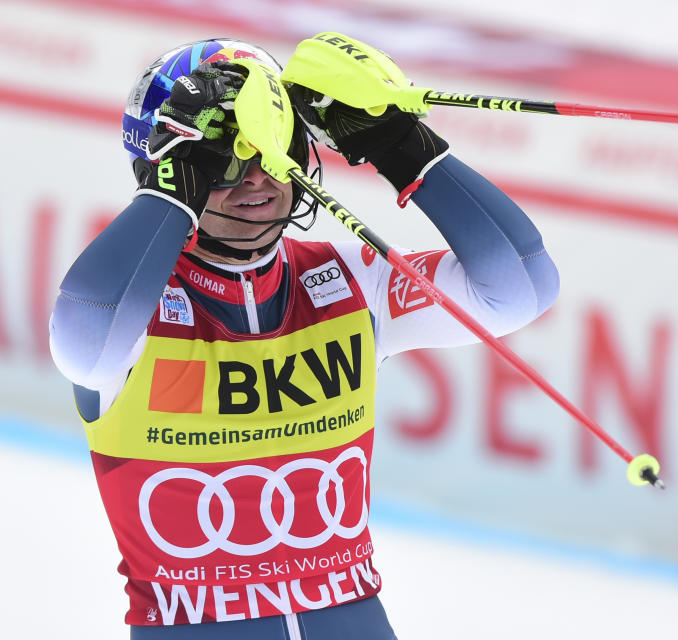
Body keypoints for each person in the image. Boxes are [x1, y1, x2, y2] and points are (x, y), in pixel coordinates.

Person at [48, 38, 558, 638]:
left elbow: (522, 288)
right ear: (174, 170)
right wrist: (166, 194)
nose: (257, 180)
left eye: (276, 147)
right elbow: (82, 336)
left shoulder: (351, 278)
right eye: (223, 161)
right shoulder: (138, 310)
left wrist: (405, 151)